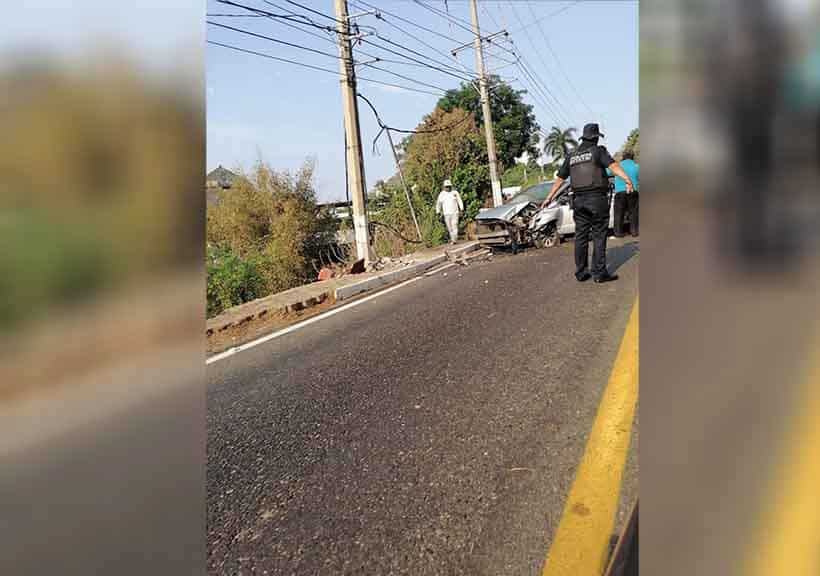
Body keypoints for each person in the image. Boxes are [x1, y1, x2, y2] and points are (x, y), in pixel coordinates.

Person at [542, 123, 634, 283]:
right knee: (599, 235)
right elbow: (613, 167)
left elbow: (560, 178)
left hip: (578, 201)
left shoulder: (571, 156)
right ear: (596, 138)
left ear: (584, 138)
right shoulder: (598, 151)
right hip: (596, 199)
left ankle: (581, 272)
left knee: (581, 236)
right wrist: (627, 180)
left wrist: (549, 196)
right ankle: (599, 273)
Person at [609, 150, 640, 237]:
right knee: (633, 213)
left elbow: (607, 172)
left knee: (619, 213)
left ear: (623, 157)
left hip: (619, 193)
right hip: (633, 191)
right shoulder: (637, 166)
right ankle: (634, 232)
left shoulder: (618, 166)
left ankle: (618, 233)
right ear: (633, 157)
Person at [435, 179, 464, 244]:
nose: (448, 188)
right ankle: (453, 239)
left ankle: (454, 240)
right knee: (449, 228)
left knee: (455, 225)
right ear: (444, 187)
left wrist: (461, 209)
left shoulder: (455, 193)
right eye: (446, 186)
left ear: (451, 186)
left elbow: (459, 201)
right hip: (446, 214)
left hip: (455, 213)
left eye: (449, 186)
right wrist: (438, 212)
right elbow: (438, 204)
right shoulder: (441, 194)